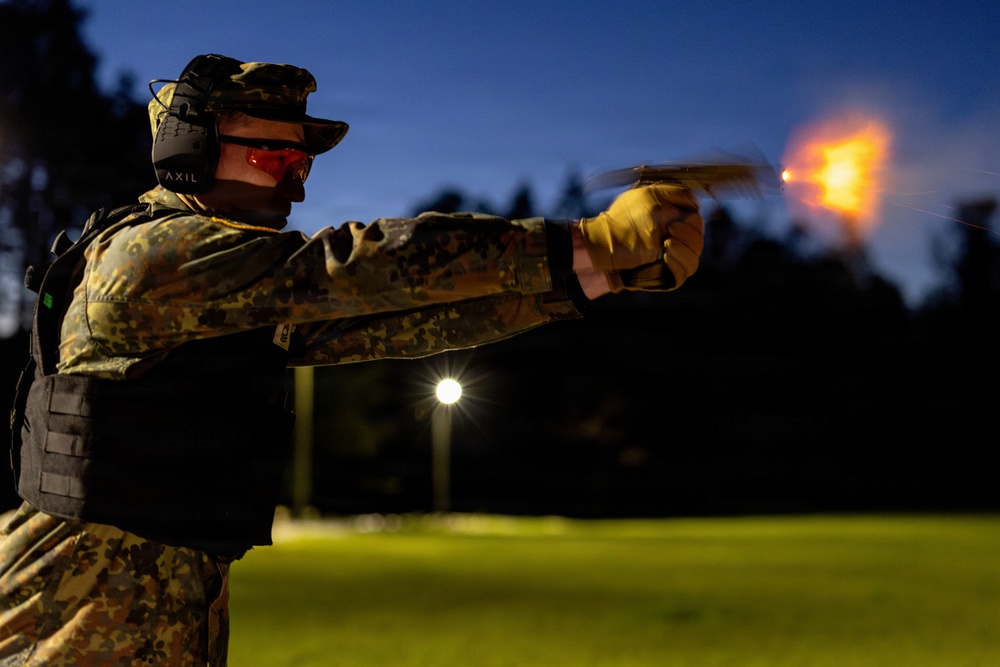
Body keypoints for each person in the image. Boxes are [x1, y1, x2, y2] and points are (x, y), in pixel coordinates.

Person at [0, 54, 704, 666]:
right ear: (193, 148)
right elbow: (360, 267)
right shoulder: (159, 258)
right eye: (276, 157)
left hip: (125, 615)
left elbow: (396, 322)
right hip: (71, 629)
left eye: (300, 162)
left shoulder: (222, 296)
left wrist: (600, 275)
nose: (297, 184)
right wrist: (591, 239)